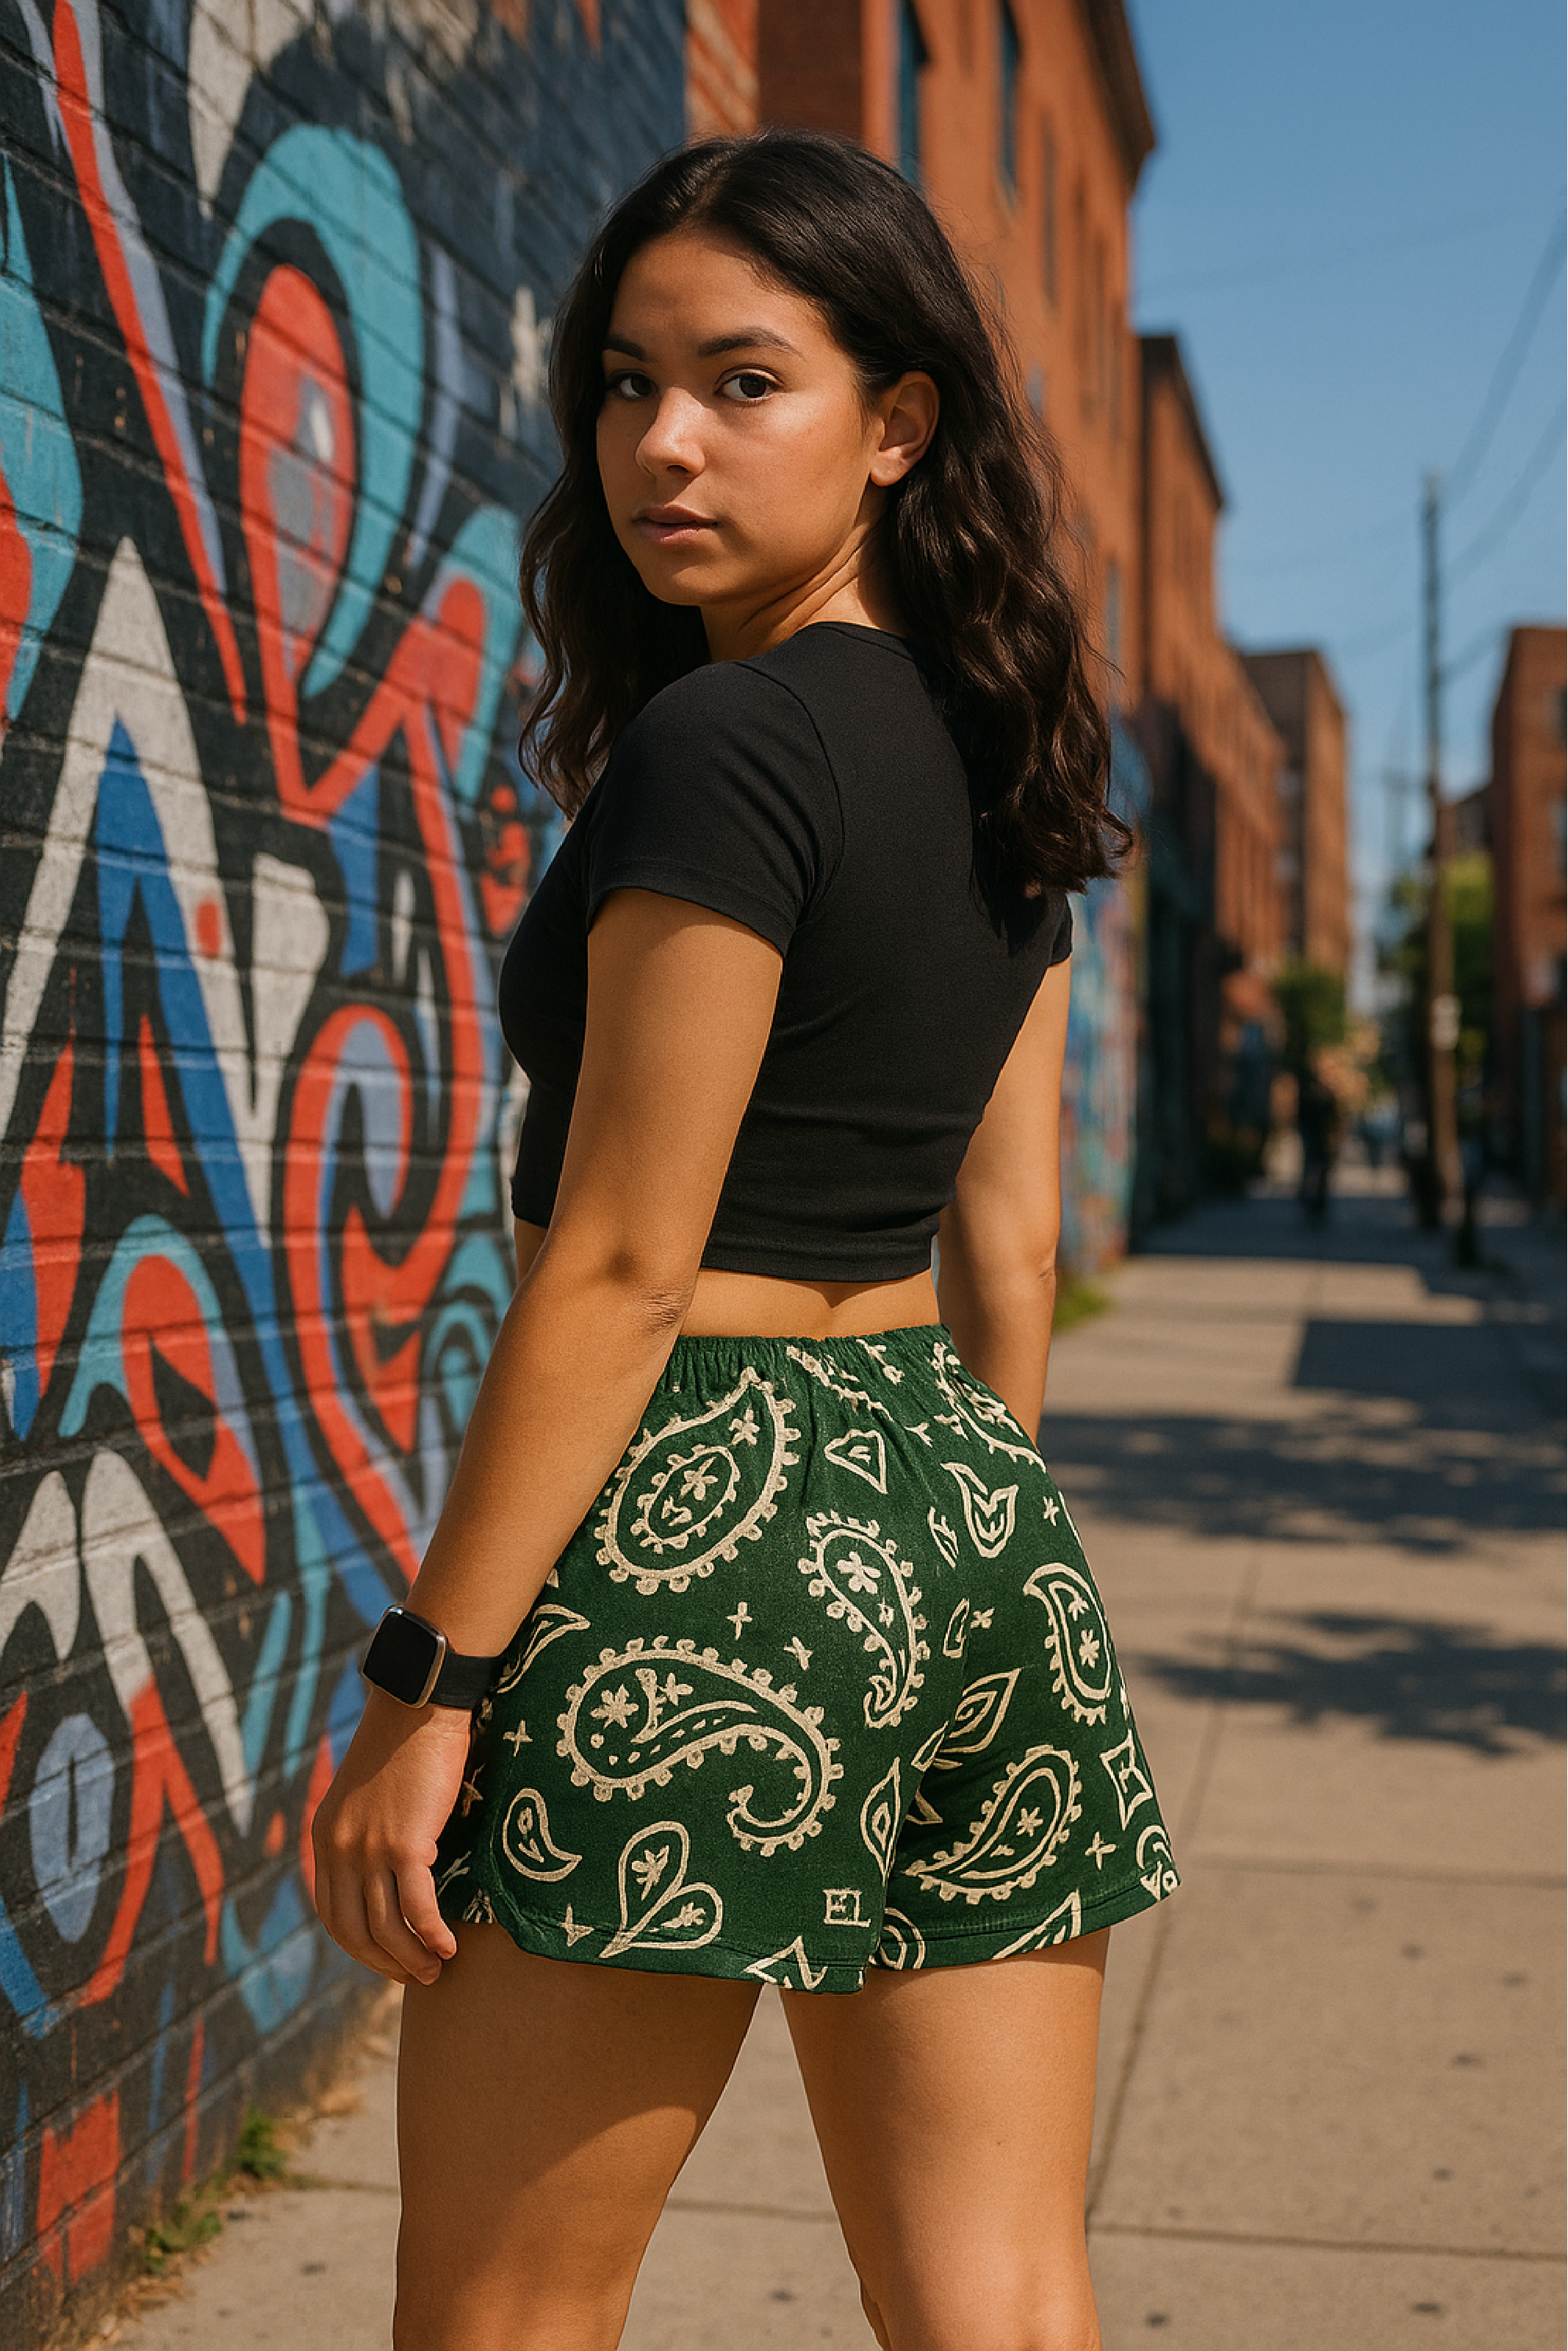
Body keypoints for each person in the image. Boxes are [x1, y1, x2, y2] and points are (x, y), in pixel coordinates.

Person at [311, 130, 1177, 2351]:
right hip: (966, 1514)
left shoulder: (729, 744)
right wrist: (937, 1573)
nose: (662, 441)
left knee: (503, 2314)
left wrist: (429, 1681)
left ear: (899, 422)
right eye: (626, 381)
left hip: (697, 1518)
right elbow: (1011, 1251)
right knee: (1001, 2293)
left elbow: (621, 1265)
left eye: (744, 380)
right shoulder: (1011, 741)